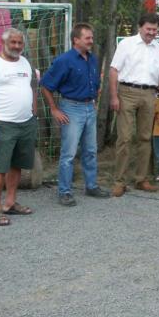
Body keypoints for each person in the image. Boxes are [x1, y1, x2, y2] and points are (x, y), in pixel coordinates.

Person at [109, 13, 159, 197]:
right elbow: (114, 70)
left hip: (149, 94)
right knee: (124, 138)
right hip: (127, 92)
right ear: (140, 27)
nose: (151, 33)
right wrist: (114, 96)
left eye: (155, 30)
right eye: (148, 29)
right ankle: (119, 181)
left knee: (146, 137)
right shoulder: (126, 44)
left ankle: (141, 179)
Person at [40, 23, 111, 206]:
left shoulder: (92, 59)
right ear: (76, 40)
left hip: (89, 108)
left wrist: (93, 101)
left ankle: (91, 185)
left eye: (92, 38)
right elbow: (46, 85)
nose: (91, 41)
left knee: (90, 150)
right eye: (88, 38)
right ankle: (64, 191)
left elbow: (94, 83)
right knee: (69, 153)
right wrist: (54, 109)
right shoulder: (64, 60)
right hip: (71, 108)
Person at [0, 28, 38, 226]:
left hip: (25, 123)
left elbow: (31, 88)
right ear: (4, 43)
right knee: (0, 167)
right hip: (3, 123)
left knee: (16, 165)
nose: (17, 46)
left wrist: (33, 113)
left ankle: (10, 203)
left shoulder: (25, 62)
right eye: (13, 42)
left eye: (20, 43)